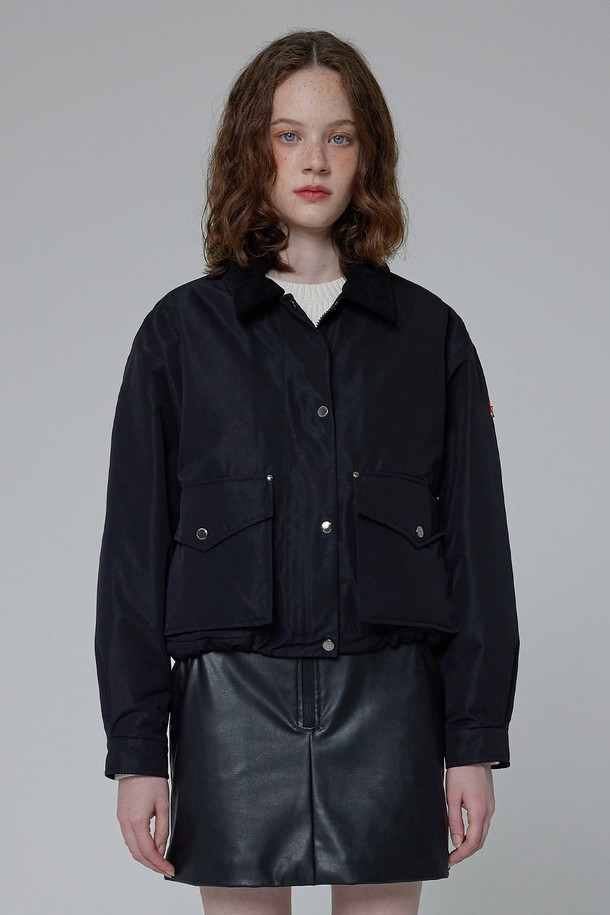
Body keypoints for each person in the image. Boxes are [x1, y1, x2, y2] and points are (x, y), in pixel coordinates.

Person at [94, 29, 519, 915]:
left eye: (340, 136)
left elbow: (477, 552)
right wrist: (139, 753)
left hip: (391, 705)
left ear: (369, 156)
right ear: (252, 150)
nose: (314, 160)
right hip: (228, 710)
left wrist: (474, 741)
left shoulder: (430, 338)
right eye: (288, 134)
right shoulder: (180, 336)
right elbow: (132, 558)